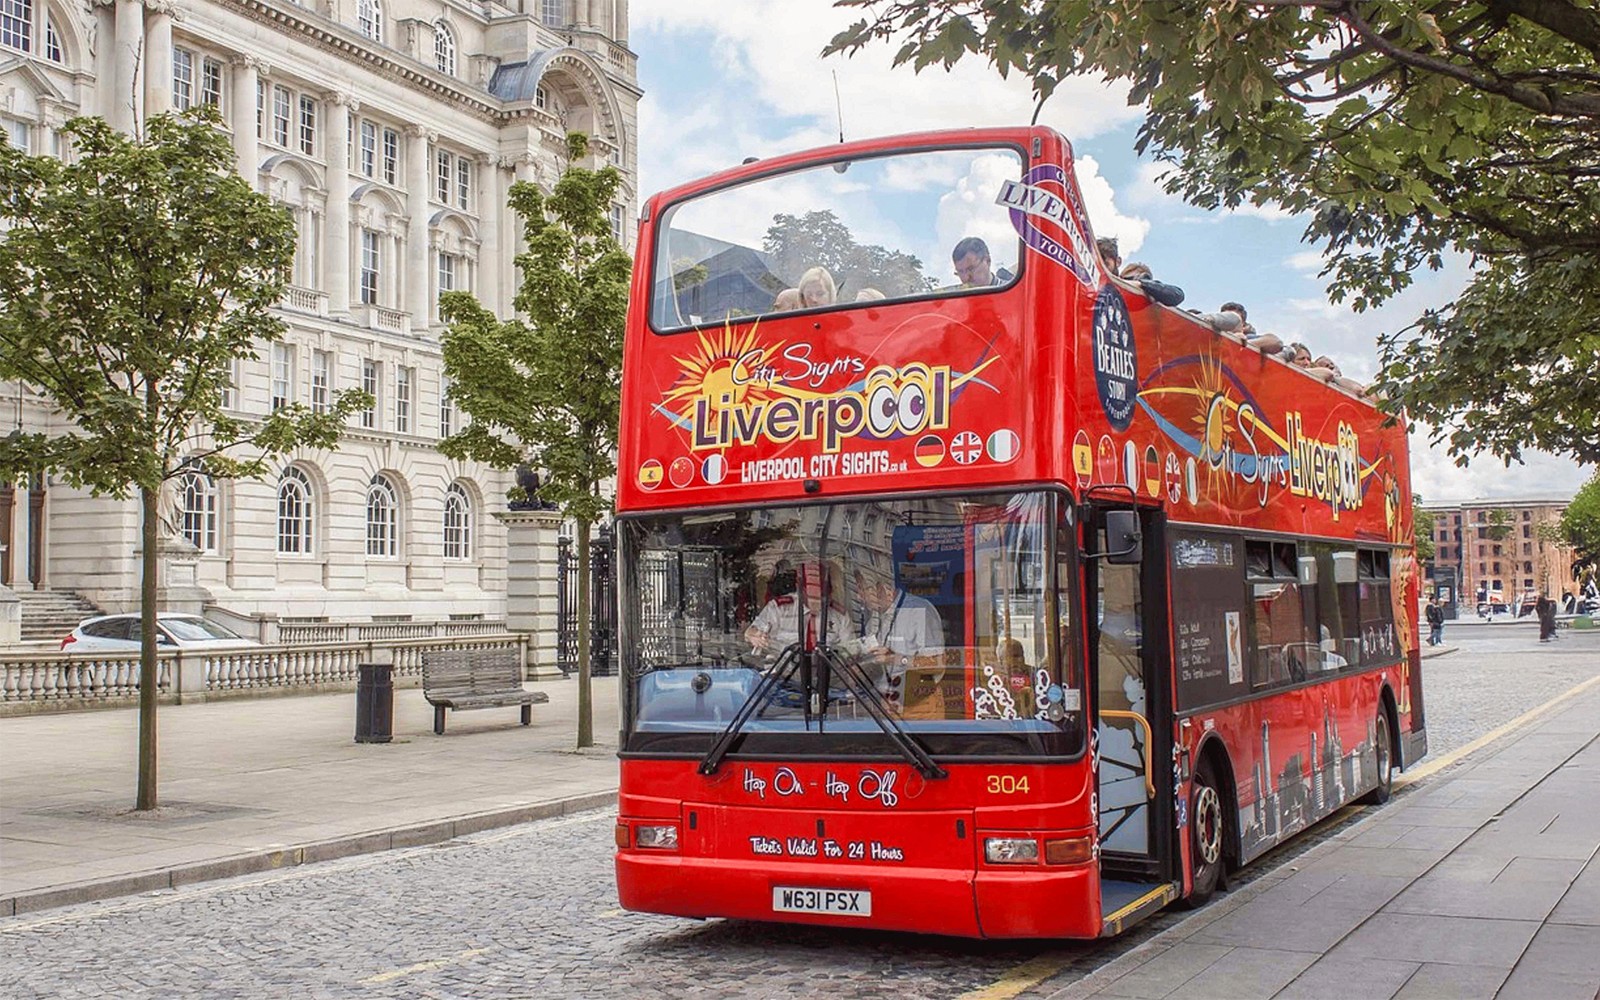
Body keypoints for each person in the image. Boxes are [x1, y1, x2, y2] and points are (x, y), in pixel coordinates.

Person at [853, 561, 945, 712]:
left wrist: (896, 658)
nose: (858, 596)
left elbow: (937, 664)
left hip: (918, 705)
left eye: (862, 589)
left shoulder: (919, 611)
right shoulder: (873, 614)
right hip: (883, 705)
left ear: (881, 587)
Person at [745, 562, 850, 653]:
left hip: (828, 674)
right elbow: (751, 634)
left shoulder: (840, 616)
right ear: (799, 587)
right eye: (811, 596)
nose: (817, 601)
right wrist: (754, 636)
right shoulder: (779, 609)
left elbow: (850, 653)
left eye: (822, 595)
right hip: (783, 673)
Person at [1120, 261, 1186, 307]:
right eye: (1125, 279)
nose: (1128, 282)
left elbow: (1177, 294)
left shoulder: (1151, 296)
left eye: (1130, 279)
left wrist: (1141, 284)